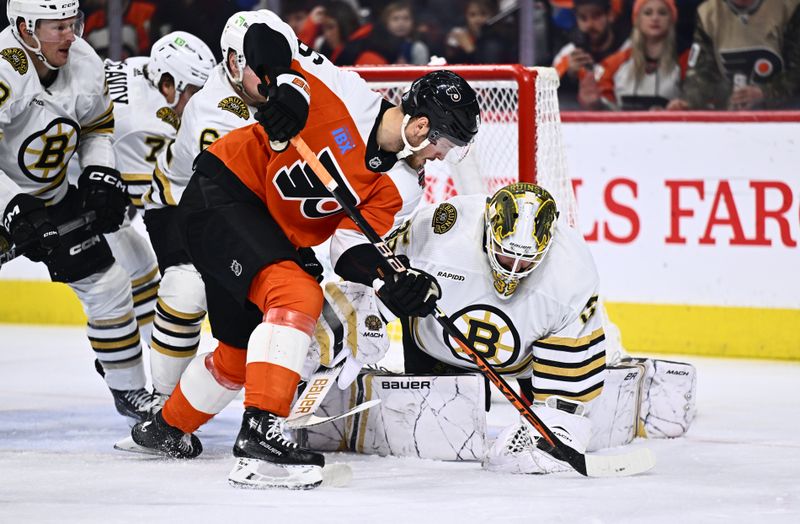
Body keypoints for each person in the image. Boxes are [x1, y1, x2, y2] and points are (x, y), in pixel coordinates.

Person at [129, 9, 480, 490]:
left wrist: (389, 279)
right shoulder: (346, 93)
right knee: (297, 295)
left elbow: (349, 248)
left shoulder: (403, 186)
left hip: (260, 232)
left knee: (236, 354)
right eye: (447, 144)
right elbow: (262, 32)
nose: (443, 157)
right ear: (422, 128)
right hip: (223, 193)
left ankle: (167, 429)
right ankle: (261, 433)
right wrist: (288, 90)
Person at [0, 0, 146, 422]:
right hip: (7, 196)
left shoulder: (84, 60)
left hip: (53, 194)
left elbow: (96, 128)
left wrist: (99, 172)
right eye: (57, 27)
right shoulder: (6, 68)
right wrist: (11, 206)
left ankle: (131, 394)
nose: (70, 34)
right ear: (25, 28)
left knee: (108, 283)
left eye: (72, 23)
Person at [139, 10, 267, 411]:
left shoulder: (235, 88)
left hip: (215, 205)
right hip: (181, 208)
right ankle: (163, 406)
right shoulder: (216, 107)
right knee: (185, 290)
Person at [102, 31, 214, 347]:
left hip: (92, 171)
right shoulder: (145, 123)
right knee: (166, 279)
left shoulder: (144, 68)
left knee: (153, 277)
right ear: (168, 85)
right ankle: (139, 355)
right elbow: (159, 197)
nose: (203, 101)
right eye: (194, 91)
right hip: (72, 186)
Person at [666, 0, 800, 110]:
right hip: (731, 115)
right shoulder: (708, 13)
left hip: (787, 117)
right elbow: (702, 73)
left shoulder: (789, 7)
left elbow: (796, 70)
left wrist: (765, 93)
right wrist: (688, 102)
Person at [585, 0, 687, 110]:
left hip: (669, 125)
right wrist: (595, 101)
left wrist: (682, 106)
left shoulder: (684, 60)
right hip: (623, 125)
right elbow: (602, 98)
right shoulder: (616, 62)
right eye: (648, 13)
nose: (655, 18)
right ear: (637, 19)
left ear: (671, 19)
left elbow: (694, 97)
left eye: (662, 13)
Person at [552, 0, 629, 108]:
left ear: (610, 15)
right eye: (583, 18)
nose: (590, 24)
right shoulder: (569, 54)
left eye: (596, 16)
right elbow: (550, 94)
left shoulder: (628, 50)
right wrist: (569, 76)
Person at [445, 0, 498, 64]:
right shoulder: (463, 35)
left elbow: (488, 67)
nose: (478, 19)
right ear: (466, 16)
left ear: (492, 15)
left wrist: (470, 49)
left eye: (483, 14)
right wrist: (450, 51)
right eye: (472, 15)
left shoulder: (494, 40)